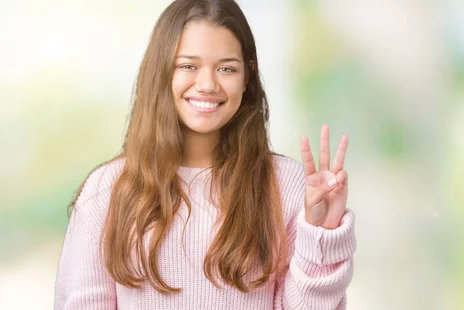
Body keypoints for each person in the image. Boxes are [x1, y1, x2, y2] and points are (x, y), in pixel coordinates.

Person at [54, 0, 356, 309]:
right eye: (188, 66)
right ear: (161, 70)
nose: (208, 84)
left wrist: (322, 232)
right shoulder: (105, 191)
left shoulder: (288, 186)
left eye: (226, 68)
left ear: (247, 77)